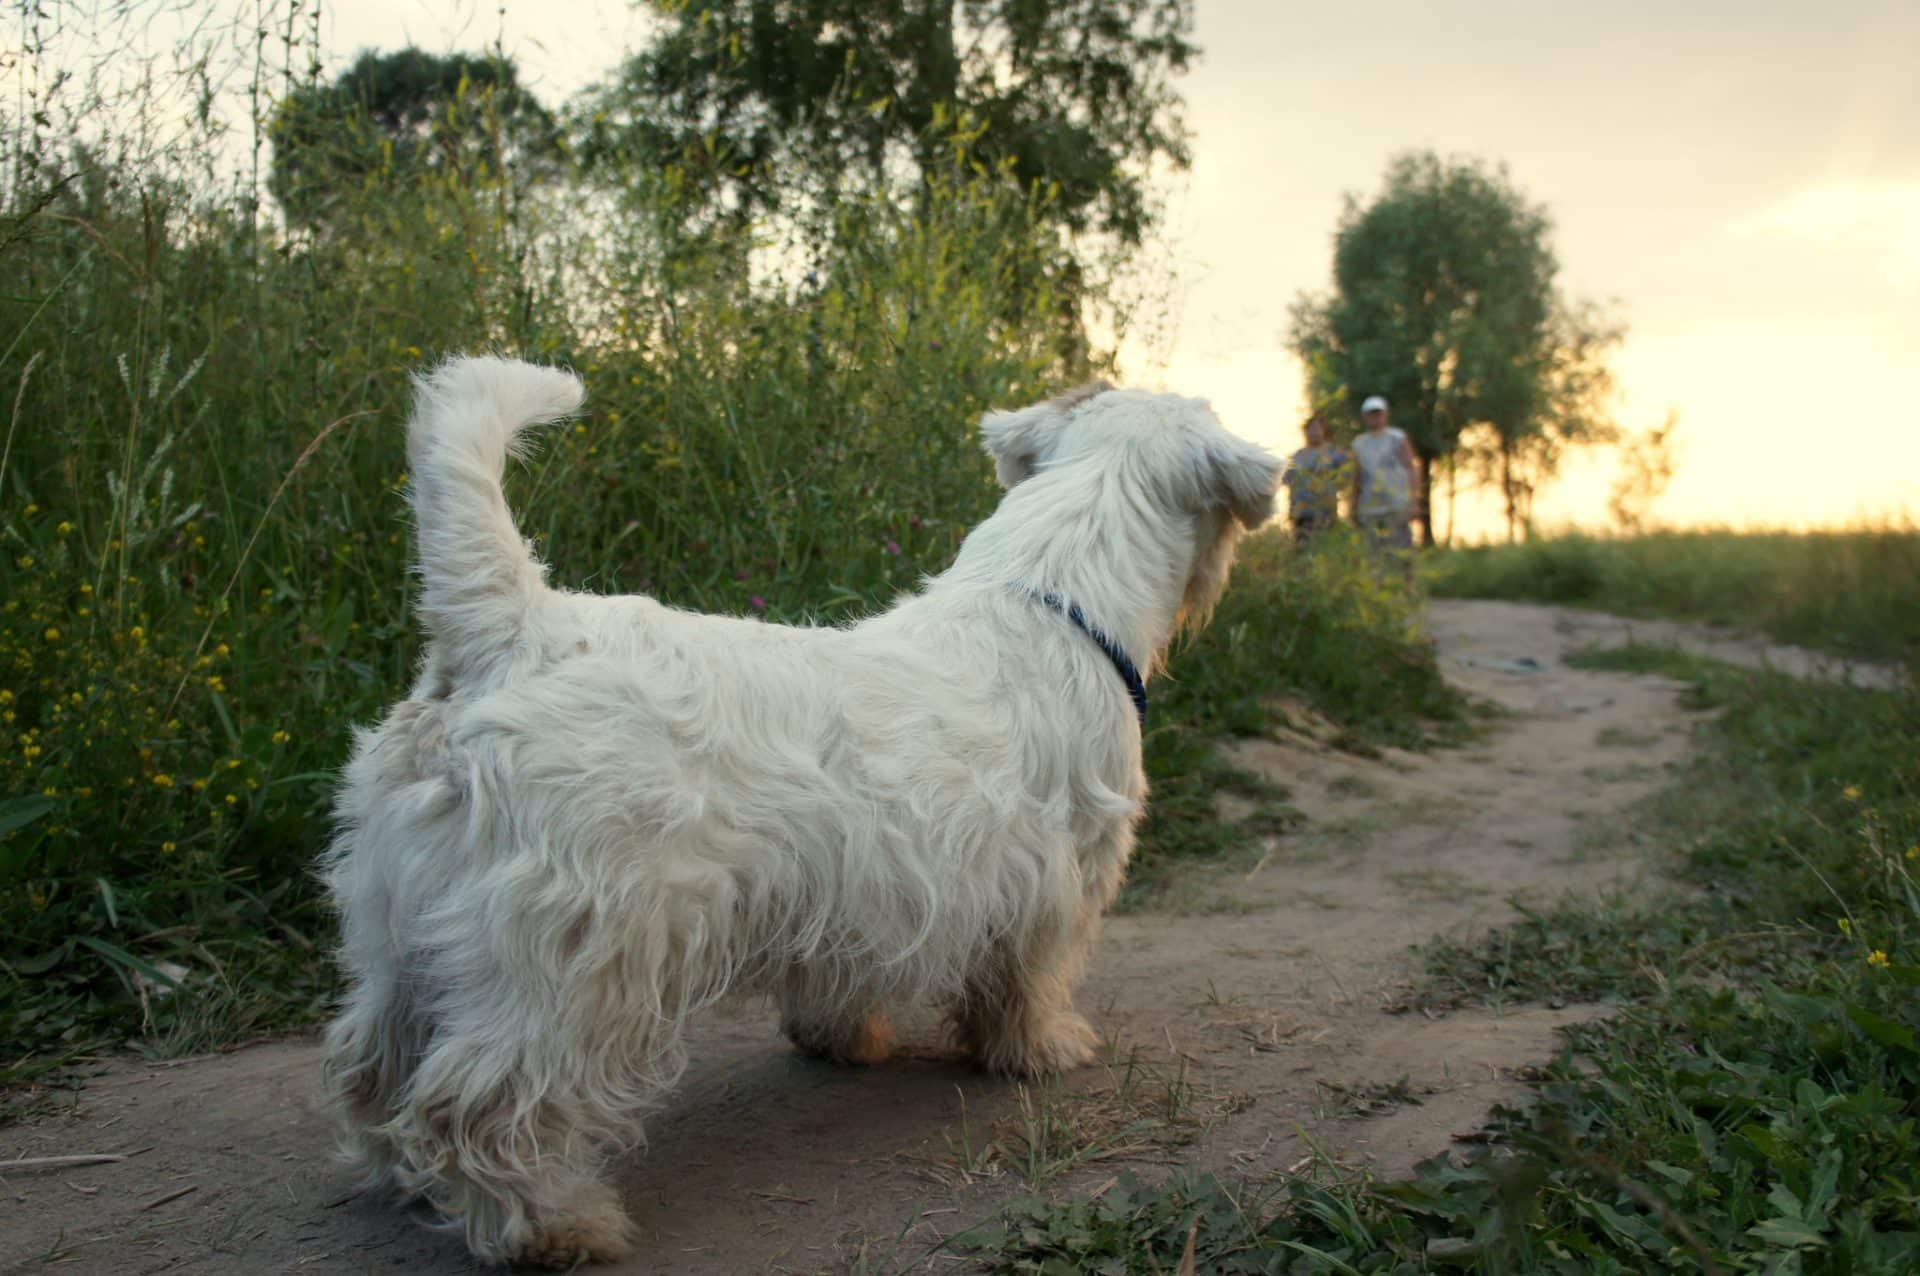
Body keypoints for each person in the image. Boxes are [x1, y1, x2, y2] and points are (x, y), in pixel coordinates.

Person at [1350, 394, 1418, 552]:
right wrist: (1353, 506)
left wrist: (1414, 500)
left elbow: (1410, 468)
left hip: (1396, 504)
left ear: (1386, 414)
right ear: (1364, 416)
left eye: (1378, 413)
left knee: (1403, 552)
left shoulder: (1397, 438)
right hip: (1370, 508)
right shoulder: (1359, 444)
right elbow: (1356, 478)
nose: (1375, 417)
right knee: (1374, 553)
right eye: (1371, 413)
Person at [1283, 414, 1350, 543]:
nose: (1314, 432)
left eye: (1317, 428)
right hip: (1302, 516)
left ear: (1324, 430)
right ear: (1305, 431)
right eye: (1311, 429)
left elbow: (1350, 471)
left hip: (1326, 514)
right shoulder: (1297, 457)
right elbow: (1285, 480)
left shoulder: (1333, 453)